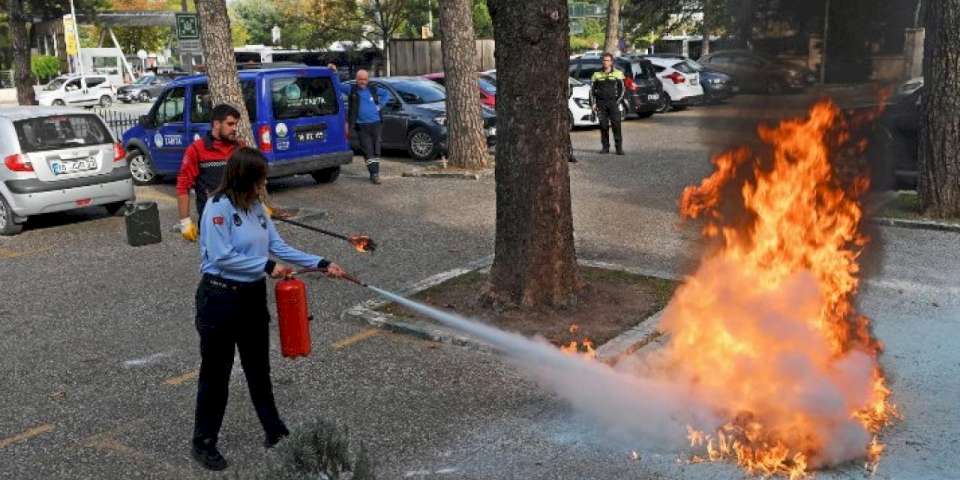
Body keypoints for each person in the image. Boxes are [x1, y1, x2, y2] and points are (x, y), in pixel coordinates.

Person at [190, 147, 347, 471]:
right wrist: (266, 265)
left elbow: (278, 246)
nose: (263, 184)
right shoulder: (217, 209)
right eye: (259, 179)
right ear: (244, 177)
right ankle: (203, 442)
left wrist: (321, 262)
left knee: (259, 370)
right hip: (219, 299)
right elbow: (221, 257)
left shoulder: (257, 208)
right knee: (216, 375)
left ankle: (274, 431)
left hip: (251, 298)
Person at [176, 104, 242, 241]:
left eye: (236, 124)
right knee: (216, 261)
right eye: (230, 124)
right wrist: (185, 221)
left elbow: (251, 180)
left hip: (240, 219)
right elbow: (183, 186)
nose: (234, 128)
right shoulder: (196, 149)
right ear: (217, 124)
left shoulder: (240, 147)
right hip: (212, 221)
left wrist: (260, 206)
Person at [347, 69, 389, 184]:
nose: (362, 82)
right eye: (360, 79)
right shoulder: (351, 89)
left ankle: (374, 173)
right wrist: (333, 72)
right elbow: (337, 85)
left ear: (367, 80)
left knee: (376, 149)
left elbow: (386, 94)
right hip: (361, 126)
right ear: (356, 79)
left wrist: (379, 106)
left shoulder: (373, 89)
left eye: (365, 79)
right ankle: (374, 174)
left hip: (376, 124)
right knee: (367, 150)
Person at [590, 52, 625, 155]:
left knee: (616, 125)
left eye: (607, 60)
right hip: (601, 104)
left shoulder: (618, 74)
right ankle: (605, 148)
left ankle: (619, 148)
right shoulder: (596, 74)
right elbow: (591, 91)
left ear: (611, 62)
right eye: (604, 60)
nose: (605, 62)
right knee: (603, 126)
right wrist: (593, 104)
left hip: (613, 104)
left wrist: (617, 102)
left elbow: (622, 90)